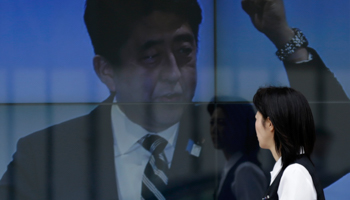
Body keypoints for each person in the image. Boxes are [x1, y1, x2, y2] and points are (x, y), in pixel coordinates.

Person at [0, 0, 215, 200]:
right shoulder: (42, 159)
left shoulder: (234, 144)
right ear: (107, 72)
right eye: (151, 56)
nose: (174, 74)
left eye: (184, 51)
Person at [253, 86, 325, 200]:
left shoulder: (294, 173)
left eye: (256, 118)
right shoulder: (290, 169)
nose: (255, 125)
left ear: (270, 123)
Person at [207, 98, 267, 200]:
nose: (214, 129)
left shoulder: (245, 171)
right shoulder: (231, 168)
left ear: (238, 127)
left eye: (221, 123)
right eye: (212, 123)